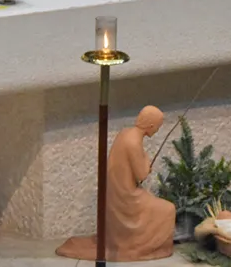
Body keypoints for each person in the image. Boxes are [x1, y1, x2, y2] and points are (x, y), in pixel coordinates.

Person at [56, 105, 176, 262]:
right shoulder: (134, 143)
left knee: (159, 205)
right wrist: (147, 161)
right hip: (126, 198)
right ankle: (142, 247)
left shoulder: (125, 133)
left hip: (117, 193)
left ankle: (141, 244)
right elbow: (142, 174)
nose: (158, 130)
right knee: (168, 209)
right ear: (151, 126)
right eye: (158, 127)